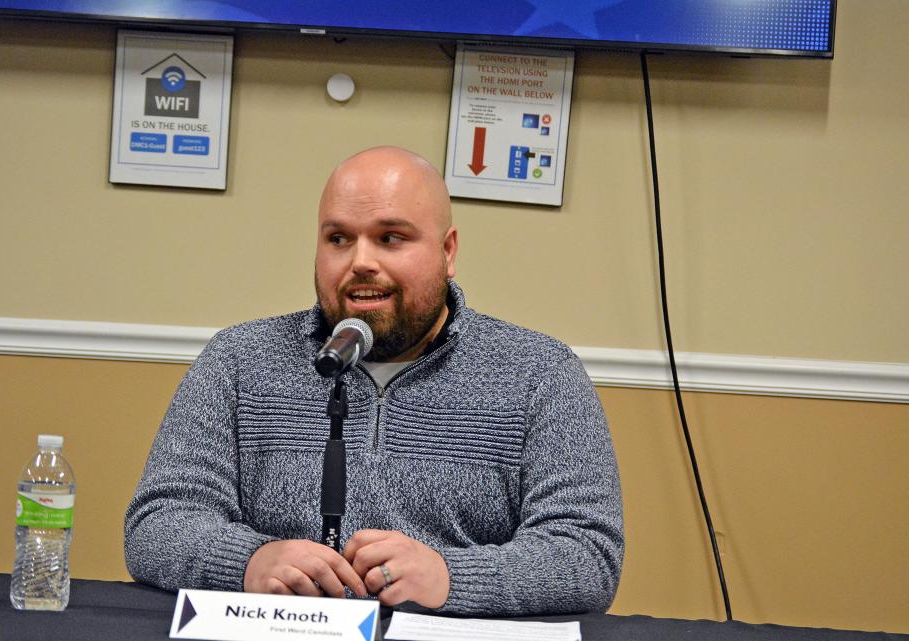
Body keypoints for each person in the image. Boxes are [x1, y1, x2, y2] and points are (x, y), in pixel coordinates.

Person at [124, 146, 623, 616]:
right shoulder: (237, 360)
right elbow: (157, 523)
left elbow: (587, 554)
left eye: (390, 238)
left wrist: (453, 577)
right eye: (338, 238)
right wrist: (249, 561)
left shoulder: (541, 373)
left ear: (448, 252)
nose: (361, 261)